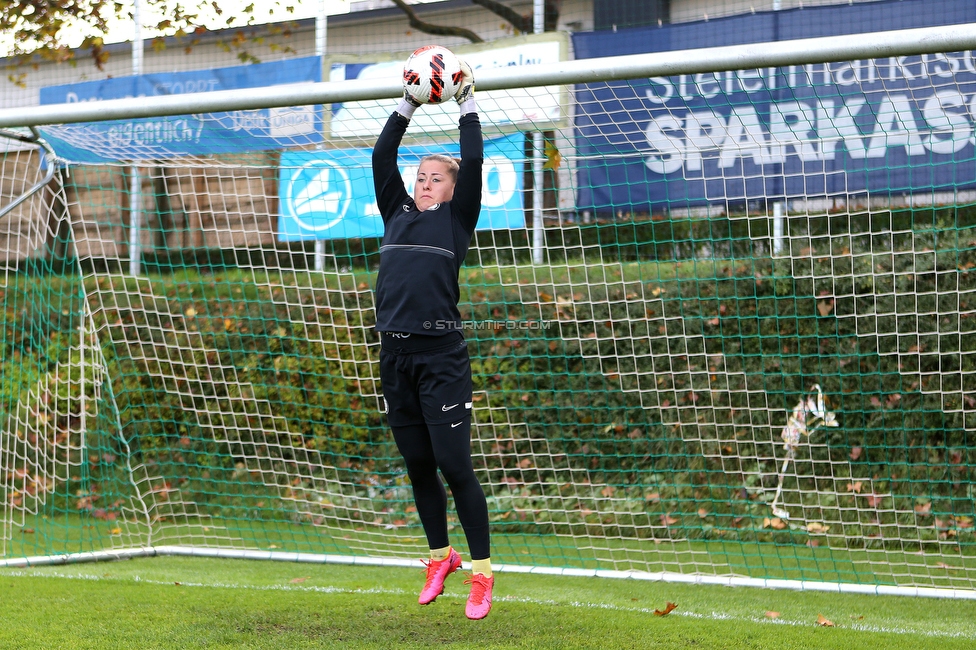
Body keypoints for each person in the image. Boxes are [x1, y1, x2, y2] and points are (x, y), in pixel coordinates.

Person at [372, 55, 493, 620]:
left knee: (454, 466)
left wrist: (466, 100)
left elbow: (472, 157)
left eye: (435, 178)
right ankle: (438, 557)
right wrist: (408, 104)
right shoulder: (396, 215)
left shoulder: (456, 220)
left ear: (452, 189)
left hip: (441, 358)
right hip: (394, 357)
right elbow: (382, 156)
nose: (423, 184)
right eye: (420, 177)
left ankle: (482, 574)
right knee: (418, 465)